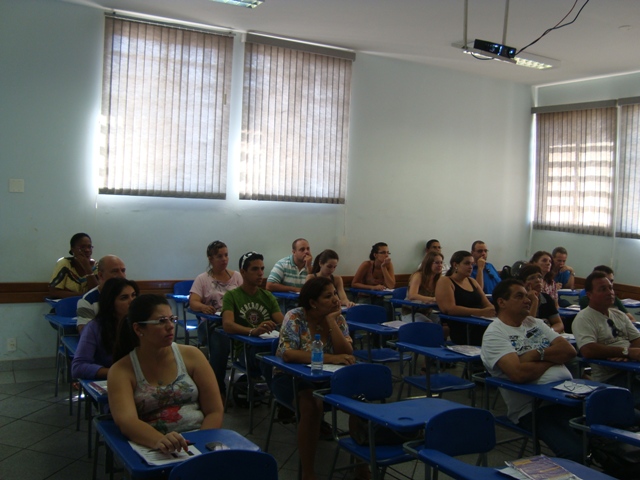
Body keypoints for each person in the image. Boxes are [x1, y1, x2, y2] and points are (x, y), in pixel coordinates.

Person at [481, 279, 582, 462]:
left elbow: (569, 351)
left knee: (605, 433)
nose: (528, 300)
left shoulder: (535, 323)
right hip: (534, 409)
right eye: (519, 296)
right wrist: (553, 359)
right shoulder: (495, 333)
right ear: (501, 302)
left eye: (527, 296)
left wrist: (536, 354)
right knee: (575, 452)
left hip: (566, 398)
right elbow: (518, 374)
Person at [108, 294, 223, 452]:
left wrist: (200, 446)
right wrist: (160, 440)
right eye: (161, 321)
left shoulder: (192, 356)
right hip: (153, 444)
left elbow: (214, 411)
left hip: (199, 440)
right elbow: (127, 421)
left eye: (172, 319)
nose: (170, 326)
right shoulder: (121, 370)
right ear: (138, 329)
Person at [272, 276, 355, 480]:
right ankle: (308, 473)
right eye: (328, 296)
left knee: (359, 398)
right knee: (311, 404)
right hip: (290, 377)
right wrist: (331, 358)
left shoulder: (337, 317)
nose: (335, 299)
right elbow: (288, 354)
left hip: (326, 376)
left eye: (335, 294)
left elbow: (347, 352)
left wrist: (331, 321)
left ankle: (361, 465)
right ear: (313, 302)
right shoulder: (295, 317)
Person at [572, 271, 640, 407]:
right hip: (611, 378)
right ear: (589, 295)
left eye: (611, 288)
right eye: (603, 289)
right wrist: (625, 352)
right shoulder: (584, 318)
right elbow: (588, 350)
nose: (610, 292)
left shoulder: (619, 314)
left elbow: (637, 339)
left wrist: (628, 353)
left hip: (632, 370)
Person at [189, 240, 243, 398]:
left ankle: (248, 385)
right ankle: (217, 388)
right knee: (220, 342)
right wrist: (202, 307)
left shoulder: (237, 277)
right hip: (213, 325)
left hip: (235, 323)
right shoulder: (202, 279)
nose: (224, 259)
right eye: (219, 256)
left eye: (226, 255)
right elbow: (193, 302)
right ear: (210, 259)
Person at [222, 252, 284, 385]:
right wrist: (253, 331)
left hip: (270, 345)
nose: (260, 273)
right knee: (267, 358)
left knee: (285, 356)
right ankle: (278, 394)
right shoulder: (231, 296)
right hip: (246, 350)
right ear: (243, 272)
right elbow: (227, 324)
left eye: (262, 268)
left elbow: (283, 323)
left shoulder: (267, 296)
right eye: (255, 269)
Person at [71, 278, 138, 380]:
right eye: (124, 298)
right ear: (110, 303)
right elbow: (78, 367)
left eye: (134, 295)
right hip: (110, 380)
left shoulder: (141, 324)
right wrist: (116, 372)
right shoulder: (94, 327)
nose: (132, 301)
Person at [435, 250, 495, 345]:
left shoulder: (472, 281)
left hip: (480, 322)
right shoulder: (445, 281)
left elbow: (486, 303)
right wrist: (481, 312)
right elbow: (450, 309)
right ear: (455, 265)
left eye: (472, 264)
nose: (470, 267)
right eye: (467, 263)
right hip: (462, 327)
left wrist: (491, 310)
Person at [76, 255, 127, 333]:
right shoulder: (88, 301)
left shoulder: (131, 296)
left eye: (123, 271)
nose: (121, 276)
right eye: (115, 271)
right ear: (100, 275)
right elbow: (86, 334)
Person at [267, 238, 313, 312]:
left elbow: (316, 288)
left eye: (308, 249)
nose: (306, 252)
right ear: (294, 252)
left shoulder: (312, 265)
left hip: (304, 305)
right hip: (284, 304)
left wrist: (309, 267)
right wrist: (295, 289)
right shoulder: (282, 264)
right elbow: (269, 285)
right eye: (302, 249)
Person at [402, 252, 445, 328]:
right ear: (428, 263)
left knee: (445, 323)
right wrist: (432, 299)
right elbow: (412, 295)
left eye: (441, 263)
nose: (440, 265)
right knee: (428, 325)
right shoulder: (418, 275)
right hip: (411, 313)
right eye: (437, 263)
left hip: (427, 313)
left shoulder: (439, 279)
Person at [49, 233, 98, 299]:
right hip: (67, 304)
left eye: (89, 247)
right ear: (73, 250)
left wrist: (87, 268)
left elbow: (95, 294)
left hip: (88, 305)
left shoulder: (96, 266)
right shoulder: (64, 264)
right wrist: (83, 296)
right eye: (82, 247)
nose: (87, 250)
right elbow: (53, 292)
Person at [517, 264, 564, 333]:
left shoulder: (546, 298)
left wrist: (549, 332)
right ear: (523, 283)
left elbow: (559, 323)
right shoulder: (519, 301)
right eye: (532, 278)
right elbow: (528, 327)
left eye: (540, 277)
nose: (538, 280)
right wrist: (534, 301)